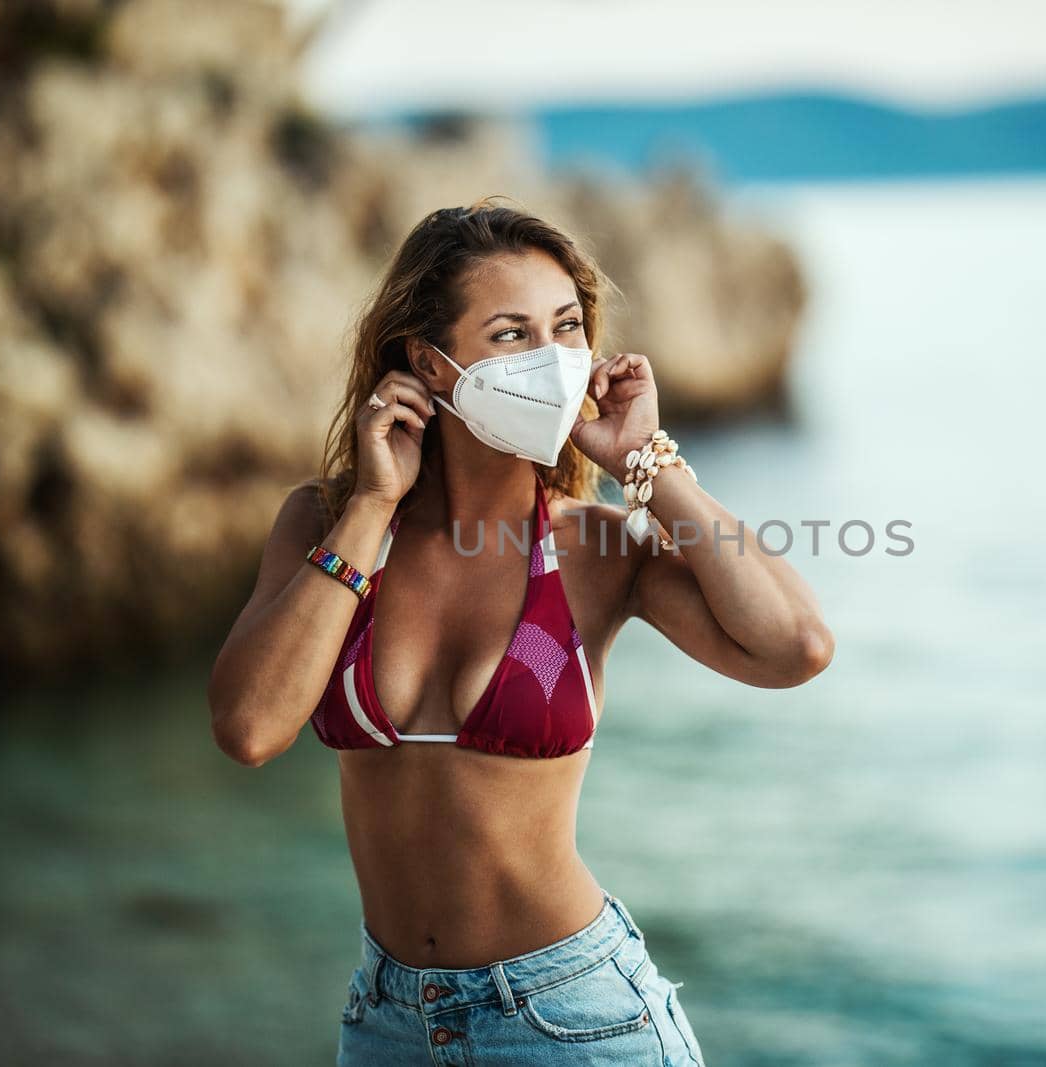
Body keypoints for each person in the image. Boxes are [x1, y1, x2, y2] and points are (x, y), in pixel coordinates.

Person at [207, 196, 834, 1065]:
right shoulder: (322, 521)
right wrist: (373, 505)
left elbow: (795, 644)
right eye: (510, 335)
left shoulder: (596, 547)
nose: (551, 359)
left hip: (574, 1015)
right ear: (430, 361)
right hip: (388, 1023)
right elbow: (248, 727)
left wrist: (645, 462)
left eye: (567, 327)